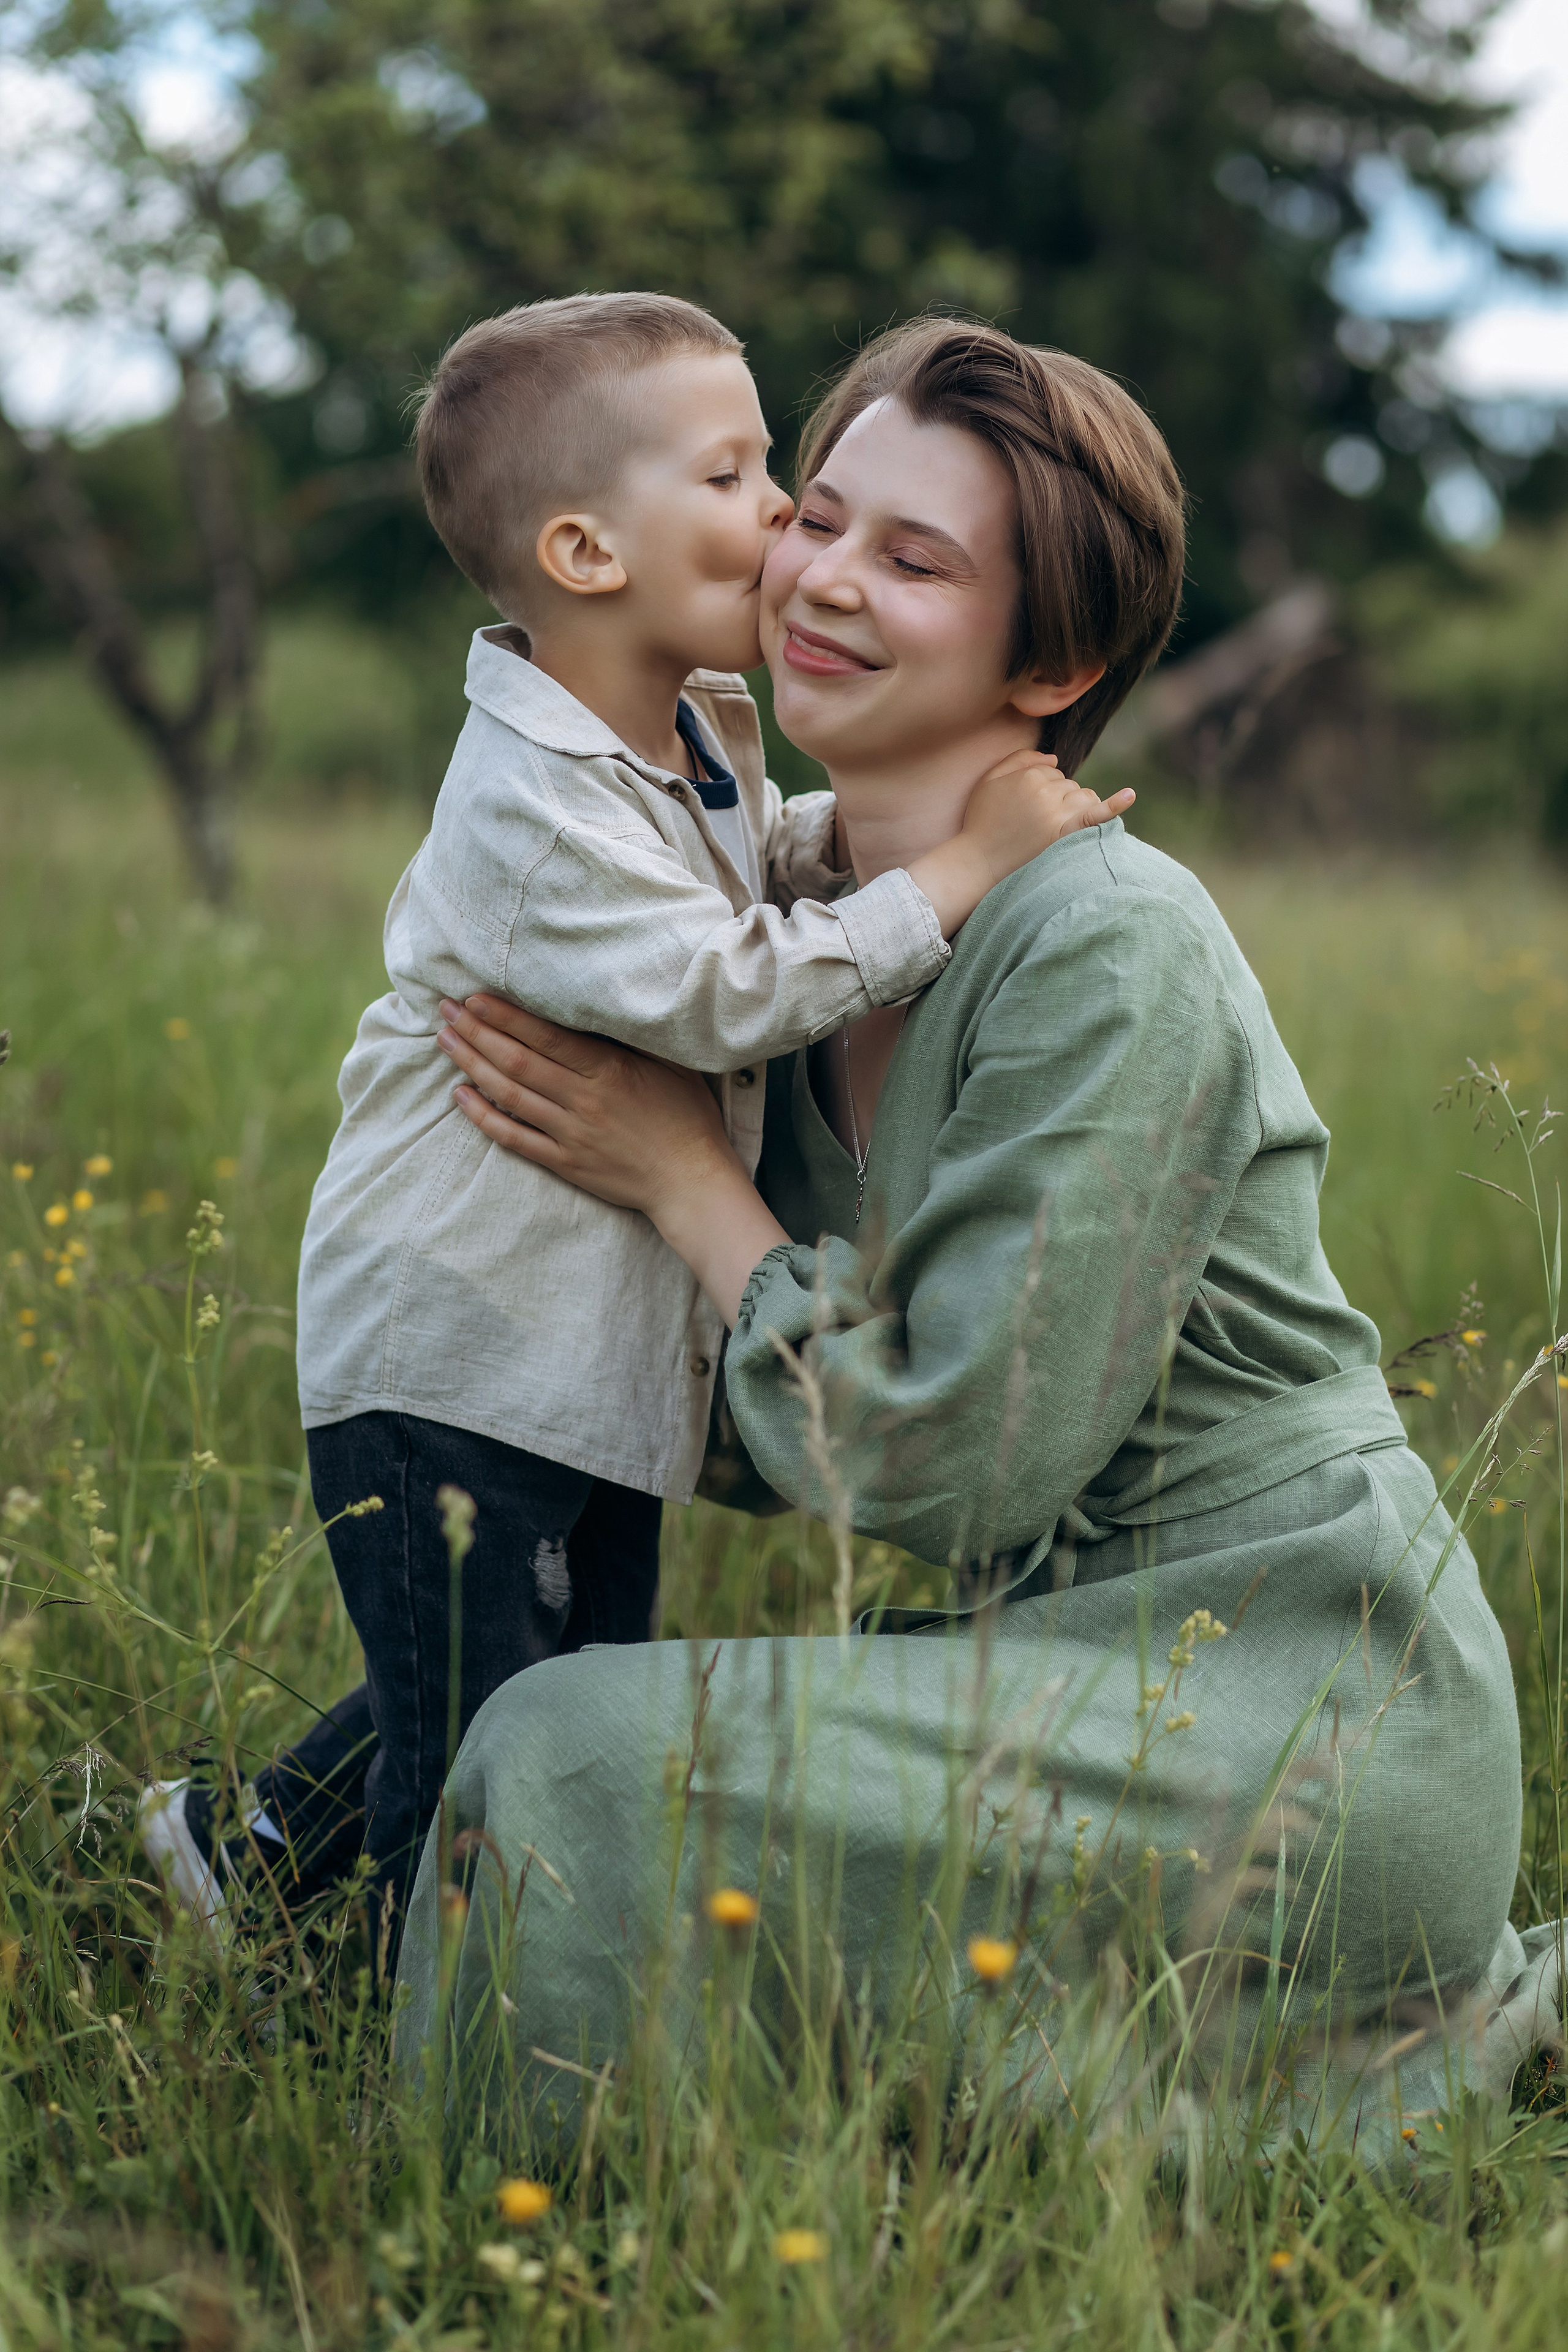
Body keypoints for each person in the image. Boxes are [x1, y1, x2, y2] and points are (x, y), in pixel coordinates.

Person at [401, 318, 1537, 2148]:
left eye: (914, 562)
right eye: (818, 515)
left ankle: (512, 2243)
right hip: (1063, 1673)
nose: (824, 581)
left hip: (1300, 1706)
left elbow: (951, 1457)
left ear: (1061, 660)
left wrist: (685, 1181)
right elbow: (751, 1418)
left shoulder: (1107, 942)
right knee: (492, 1690)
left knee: (566, 1754)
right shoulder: (776, 925)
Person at [137, 294, 1127, 1943]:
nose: (787, 520)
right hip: (448, 1359)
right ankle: (414, 2040)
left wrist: (893, 831)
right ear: (589, 553)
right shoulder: (532, 808)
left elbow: (754, 863)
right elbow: (724, 988)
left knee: (562, 1684)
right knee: (478, 1744)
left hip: (566, 1355)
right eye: (742, 477)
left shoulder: (679, 735)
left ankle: (238, 1860)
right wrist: (960, 874)